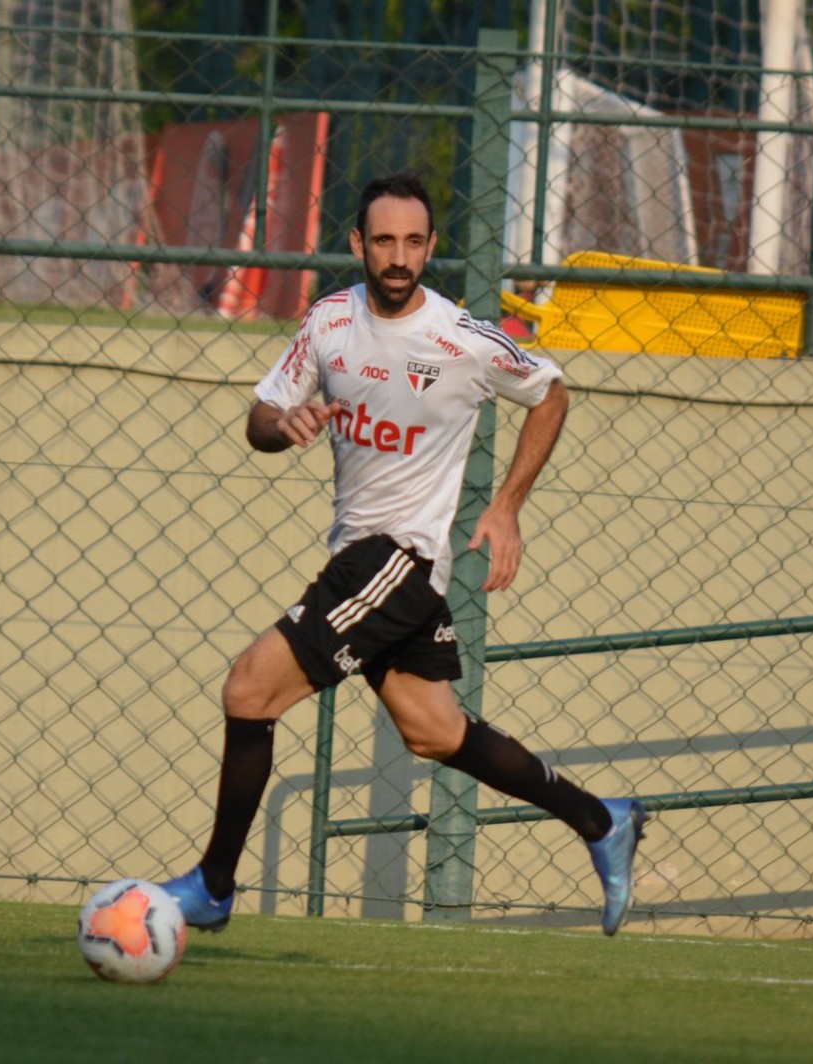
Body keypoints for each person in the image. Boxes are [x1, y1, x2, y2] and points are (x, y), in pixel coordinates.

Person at [161, 172, 647, 936]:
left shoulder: (460, 338)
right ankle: (600, 818)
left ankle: (213, 886)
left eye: (413, 242)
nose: (398, 257)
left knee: (250, 690)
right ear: (358, 243)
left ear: (430, 247)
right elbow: (261, 412)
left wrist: (509, 505)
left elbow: (550, 391)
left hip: (400, 559)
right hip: (366, 556)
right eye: (383, 240)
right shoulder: (328, 322)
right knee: (434, 732)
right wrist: (279, 426)